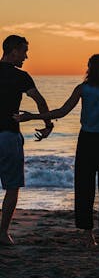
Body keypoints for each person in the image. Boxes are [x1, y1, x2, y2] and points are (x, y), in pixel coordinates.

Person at [21, 54, 99, 248]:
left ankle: (88, 237)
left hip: (86, 141)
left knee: (84, 188)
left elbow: (62, 111)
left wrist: (33, 117)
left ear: (89, 69)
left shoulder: (83, 88)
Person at [1, 35, 52, 246]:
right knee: (12, 186)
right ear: (13, 50)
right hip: (8, 136)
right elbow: (39, 100)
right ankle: (3, 233)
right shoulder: (21, 77)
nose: (26, 56)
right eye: (24, 51)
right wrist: (48, 125)